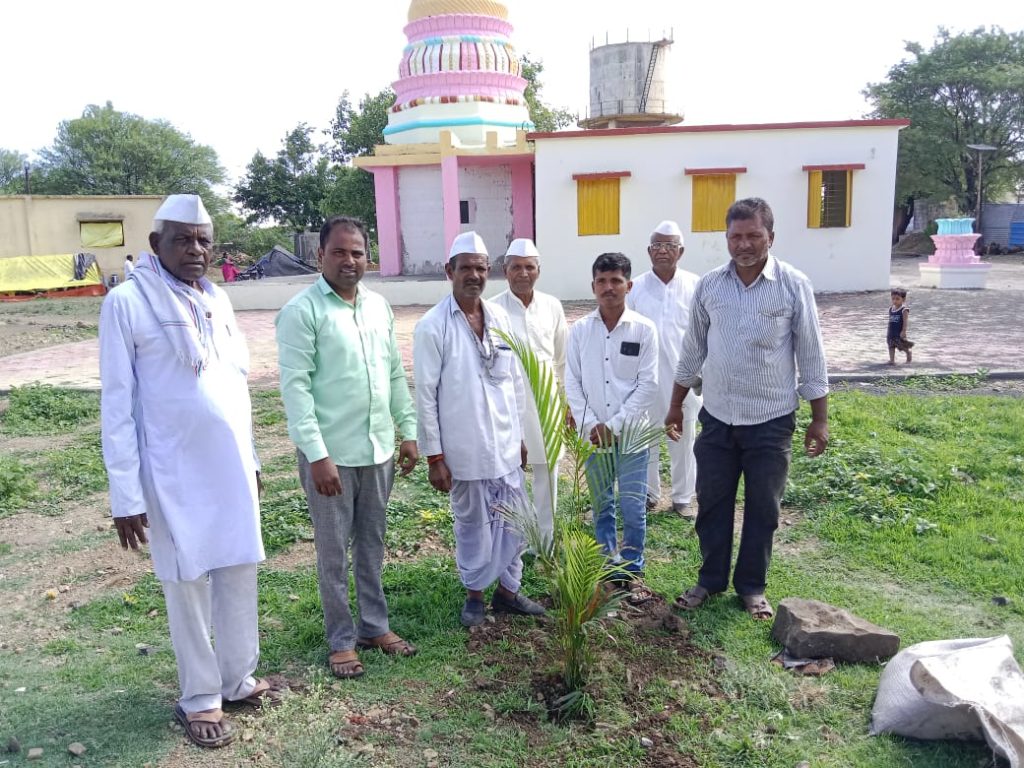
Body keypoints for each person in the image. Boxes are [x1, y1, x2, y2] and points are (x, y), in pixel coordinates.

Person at [99, 194, 277, 750]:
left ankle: (236, 677)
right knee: (186, 581)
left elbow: (234, 388)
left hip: (229, 469)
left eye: (204, 238)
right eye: (183, 238)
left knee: (239, 568)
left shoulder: (218, 298)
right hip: (172, 471)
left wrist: (249, 460)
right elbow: (118, 405)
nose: (196, 248)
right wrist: (125, 495)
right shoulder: (127, 303)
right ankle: (200, 695)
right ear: (157, 245)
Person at [666, 198, 829, 621]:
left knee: (764, 508)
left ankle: (752, 587)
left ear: (770, 237)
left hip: (771, 422)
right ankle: (710, 579)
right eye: (736, 236)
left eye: (753, 236)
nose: (744, 244)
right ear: (726, 238)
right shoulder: (710, 287)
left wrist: (820, 418)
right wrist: (675, 405)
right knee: (713, 502)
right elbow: (692, 351)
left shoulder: (793, 285)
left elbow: (811, 354)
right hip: (717, 417)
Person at [276, 216, 419, 680]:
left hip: (378, 450)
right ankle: (341, 639)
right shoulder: (302, 312)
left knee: (373, 544)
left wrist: (408, 430)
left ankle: (375, 626)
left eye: (357, 252)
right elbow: (295, 389)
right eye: (339, 252)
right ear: (320, 256)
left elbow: (394, 373)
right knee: (334, 551)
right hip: (331, 458)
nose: (349, 260)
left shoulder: (378, 306)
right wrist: (316, 454)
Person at [413, 231, 545, 627]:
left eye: (480, 268)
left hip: (505, 445)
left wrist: (520, 437)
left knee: (515, 522)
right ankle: (474, 596)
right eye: (465, 267)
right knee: (473, 524)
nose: (473, 275)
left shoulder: (501, 317)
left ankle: (508, 592)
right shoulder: (432, 326)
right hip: (464, 450)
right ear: (449, 271)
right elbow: (424, 395)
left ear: (489, 272)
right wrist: (434, 456)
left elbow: (516, 382)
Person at [565, 253, 659, 598]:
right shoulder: (579, 331)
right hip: (592, 436)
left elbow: (648, 385)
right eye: (602, 281)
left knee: (633, 504)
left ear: (628, 285)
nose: (609, 288)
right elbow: (571, 382)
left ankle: (631, 563)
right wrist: (592, 424)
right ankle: (607, 560)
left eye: (616, 281)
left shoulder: (644, 330)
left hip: (632, 434)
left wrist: (614, 425)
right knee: (602, 502)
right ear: (593, 286)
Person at [492, 238, 568, 547]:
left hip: (546, 404)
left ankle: (545, 543)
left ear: (539, 270)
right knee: (509, 476)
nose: (523, 273)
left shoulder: (552, 306)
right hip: (506, 407)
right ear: (505, 271)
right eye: (516, 267)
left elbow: (561, 360)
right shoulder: (492, 309)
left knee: (547, 472)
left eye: (529, 267)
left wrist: (567, 405)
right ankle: (514, 543)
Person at [627, 220, 701, 518]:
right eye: (657, 245)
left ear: (680, 252)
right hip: (645, 378)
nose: (662, 251)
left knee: (684, 439)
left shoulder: (696, 286)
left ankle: (683, 497)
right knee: (646, 437)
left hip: (684, 378)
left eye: (669, 246)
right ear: (648, 251)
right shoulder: (636, 288)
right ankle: (649, 493)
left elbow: (702, 333)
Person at [887, 288, 913, 364]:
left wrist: (904, 331)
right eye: (893, 299)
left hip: (899, 332)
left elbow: (905, 321)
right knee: (891, 346)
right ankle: (892, 360)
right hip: (891, 332)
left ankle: (908, 352)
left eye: (897, 299)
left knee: (902, 346)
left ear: (903, 299)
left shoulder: (904, 310)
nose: (895, 301)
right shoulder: (891, 309)